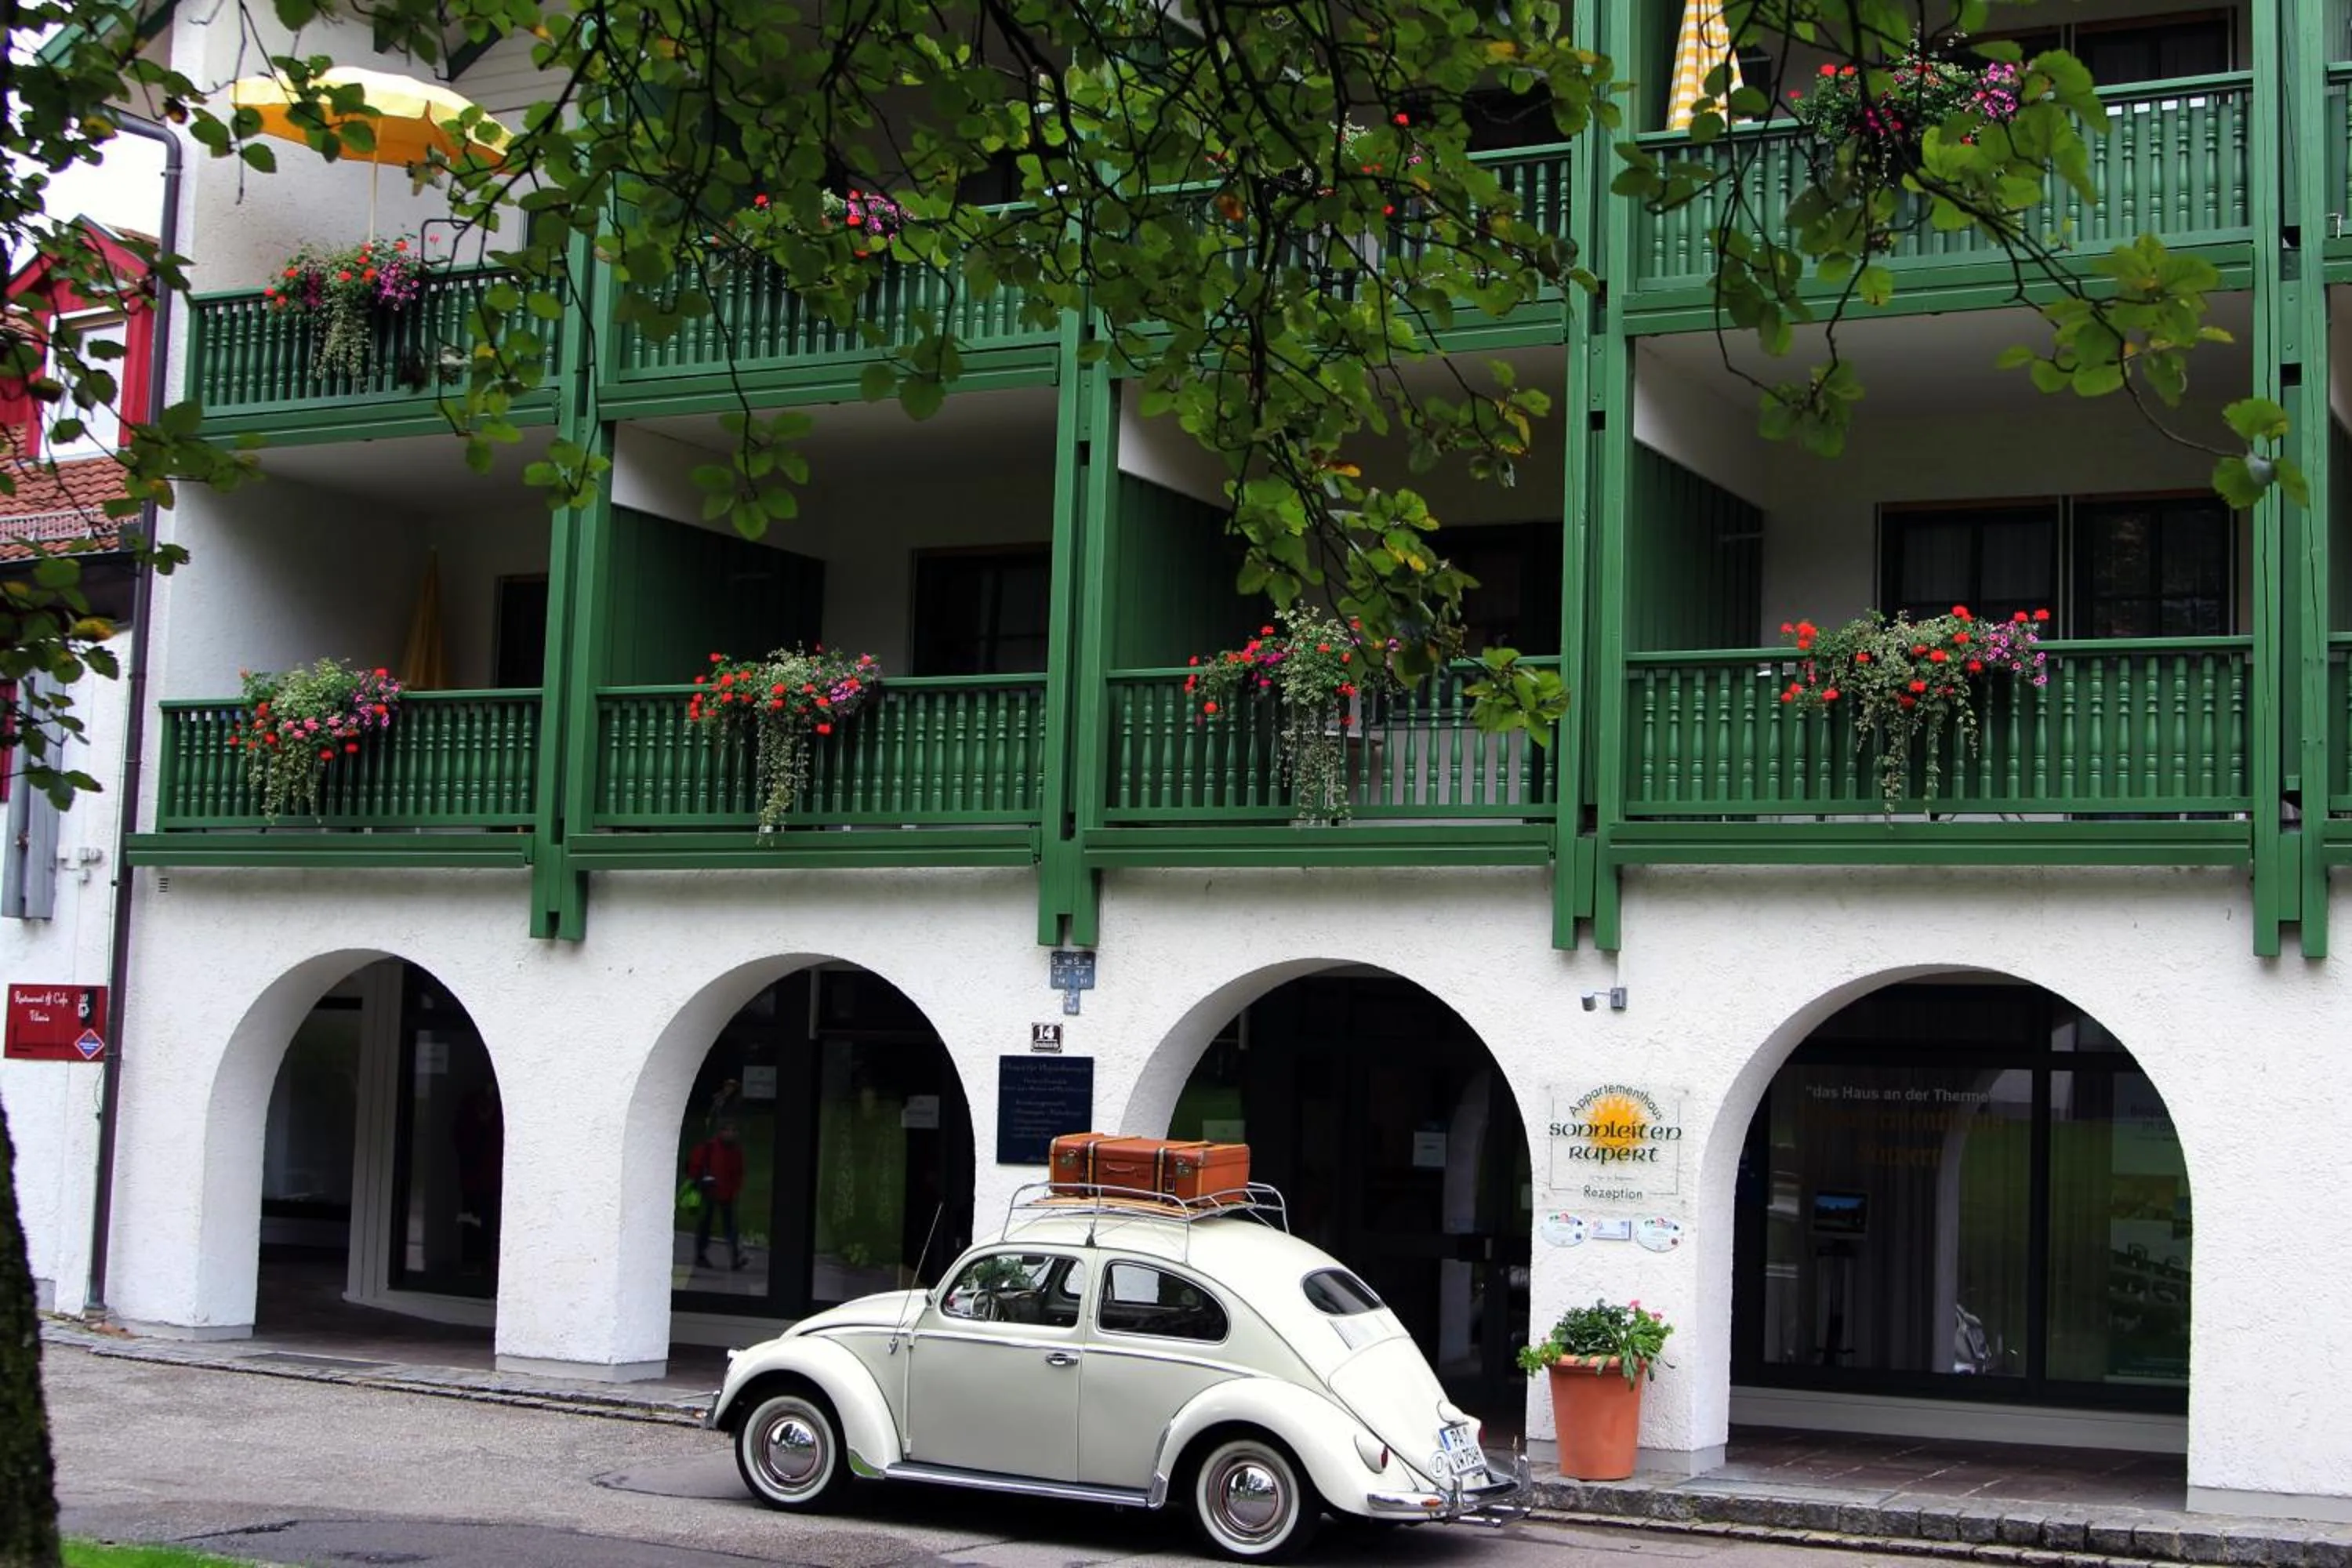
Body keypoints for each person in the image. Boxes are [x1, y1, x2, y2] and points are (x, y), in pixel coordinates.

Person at [688, 1121, 749, 1272]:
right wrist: (700, 1180)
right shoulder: (709, 1148)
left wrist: (735, 1189)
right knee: (706, 1225)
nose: (731, 1134)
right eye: (728, 1130)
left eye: (734, 1130)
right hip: (710, 1191)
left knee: (731, 1227)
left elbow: (739, 1172)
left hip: (727, 1192)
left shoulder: (735, 1151)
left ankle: (735, 1257)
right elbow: (694, 1166)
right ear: (721, 1132)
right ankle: (701, 1254)